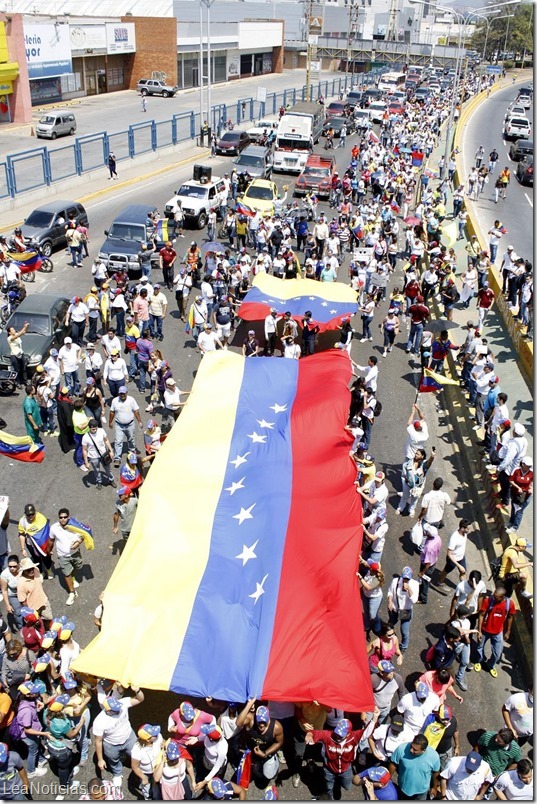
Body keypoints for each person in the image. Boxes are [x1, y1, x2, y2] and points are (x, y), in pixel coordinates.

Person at [93, 689, 145, 788]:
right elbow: (98, 741)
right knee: (113, 760)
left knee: (138, 755)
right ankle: (117, 773)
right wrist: (100, 759)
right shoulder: (99, 721)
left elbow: (140, 699)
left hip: (129, 737)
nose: (118, 710)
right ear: (107, 710)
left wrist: (138, 691)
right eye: (115, 710)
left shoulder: (122, 703)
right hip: (111, 745)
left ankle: (140, 772)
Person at [305, 717, 363, 800]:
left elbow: (366, 732)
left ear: (349, 734)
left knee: (348, 786)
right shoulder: (328, 735)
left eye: (341, 735)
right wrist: (310, 734)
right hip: (329, 769)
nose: (338, 736)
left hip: (345, 769)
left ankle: (339, 782)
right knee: (329, 788)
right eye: (337, 733)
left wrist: (374, 719)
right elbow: (316, 733)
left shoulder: (354, 737)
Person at [237, 703, 283, 786]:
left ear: (269, 718)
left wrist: (265, 754)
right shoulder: (251, 720)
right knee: (256, 771)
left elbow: (279, 742)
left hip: (267, 753)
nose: (261, 725)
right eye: (259, 721)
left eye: (264, 722)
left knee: (269, 775)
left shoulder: (276, 727)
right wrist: (249, 704)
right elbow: (238, 723)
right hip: (253, 753)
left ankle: (275, 767)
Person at [474, 585, 515, 678]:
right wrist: (479, 630)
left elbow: (510, 617)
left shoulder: (509, 604)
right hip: (485, 630)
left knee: (497, 653)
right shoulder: (488, 601)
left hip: (498, 632)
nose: (493, 598)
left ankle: (490, 665)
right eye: (493, 596)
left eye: (496, 598)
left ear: (503, 597)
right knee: (479, 647)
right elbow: (481, 615)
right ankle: (479, 661)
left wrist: (508, 631)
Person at [388, 733, 441, 800]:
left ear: (423, 750)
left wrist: (434, 787)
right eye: (411, 746)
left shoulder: (434, 756)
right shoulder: (401, 749)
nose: (411, 750)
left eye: (415, 750)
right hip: (403, 788)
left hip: (421, 792)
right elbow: (393, 764)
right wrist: (388, 780)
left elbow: (436, 773)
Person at [49, 508, 85, 606]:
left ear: (69, 517)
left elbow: (83, 535)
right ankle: (72, 593)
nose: (63, 519)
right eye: (61, 517)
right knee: (66, 573)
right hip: (62, 555)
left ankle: (73, 577)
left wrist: (78, 543)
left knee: (77, 567)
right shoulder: (54, 528)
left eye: (65, 517)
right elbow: (51, 540)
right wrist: (49, 550)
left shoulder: (76, 525)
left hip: (75, 554)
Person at [387, 566, 419, 653]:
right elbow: (390, 591)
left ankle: (403, 647)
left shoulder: (415, 584)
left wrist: (409, 589)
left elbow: (414, 600)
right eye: (404, 578)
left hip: (405, 611)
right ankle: (388, 638)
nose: (405, 580)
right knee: (390, 624)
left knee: (404, 631)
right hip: (395, 608)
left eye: (407, 579)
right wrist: (389, 601)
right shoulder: (395, 581)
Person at [17, 504, 52, 580]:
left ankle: (49, 569)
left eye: (32, 514)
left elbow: (44, 533)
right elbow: (22, 535)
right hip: (31, 544)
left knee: (46, 557)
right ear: (25, 514)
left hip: (42, 543)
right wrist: (22, 549)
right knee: (36, 558)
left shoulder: (41, 518)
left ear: (35, 512)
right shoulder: (22, 521)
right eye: (28, 514)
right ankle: (41, 571)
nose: (30, 516)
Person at [109, 387, 142, 467]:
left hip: (130, 424)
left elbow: (136, 411)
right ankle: (117, 458)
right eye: (121, 393)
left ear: (127, 392)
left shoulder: (131, 400)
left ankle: (132, 453)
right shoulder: (115, 401)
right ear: (119, 393)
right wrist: (110, 422)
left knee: (131, 439)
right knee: (118, 441)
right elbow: (112, 412)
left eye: (124, 393)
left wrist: (139, 421)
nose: (122, 395)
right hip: (119, 424)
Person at [130, 723, 163, 800]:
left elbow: (162, 742)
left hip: (158, 768)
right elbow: (135, 767)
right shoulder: (137, 750)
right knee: (147, 789)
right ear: (148, 739)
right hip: (146, 773)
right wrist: (143, 777)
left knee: (158, 788)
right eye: (154, 735)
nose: (157, 734)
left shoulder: (158, 736)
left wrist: (163, 745)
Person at [436, 519, 472, 589]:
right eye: (468, 529)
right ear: (462, 528)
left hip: (461, 557)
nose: (469, 531)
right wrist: (458, 565)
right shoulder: (455, 538)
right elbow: (449, 553)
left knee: (463, 572)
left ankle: (463, 588)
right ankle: (439, 582)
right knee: (446, 571)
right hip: (453, 559)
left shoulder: (464, 533)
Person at [82, 418, 115, 490]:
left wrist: (111, 451)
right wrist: (86, 462)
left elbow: (106, 440)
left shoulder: (101, 431)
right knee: (96, 470)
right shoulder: (85, 437)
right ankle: (99, 481)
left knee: (108, 469)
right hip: (93, 457)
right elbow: (84, 450)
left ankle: (111, 480)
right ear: (89, 428)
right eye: (93, 429)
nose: (95, 430)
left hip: (103, 454)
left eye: (96, 428)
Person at [507, 458, 533, 534]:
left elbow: (532, 482)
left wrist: (531, 489)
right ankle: (511, 522)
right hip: (515, 494)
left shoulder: (532, 473)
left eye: (530, 466)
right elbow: (511, 480)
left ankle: (515, 527)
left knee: (519, 511)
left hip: (525, 495)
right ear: (523, 464)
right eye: (527, 466)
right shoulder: (516, 470)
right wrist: (518, 488)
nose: (529, 467)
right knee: (514, 508)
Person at [1, 555, 23, 632]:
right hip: (13, 595)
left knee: (30, 608)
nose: (12, 568)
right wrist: (7, 605)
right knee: (18, 613)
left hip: (24, 592)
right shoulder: (4, 574)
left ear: (18, 564)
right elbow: (4, 590)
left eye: (14, 566)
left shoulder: (23, 569)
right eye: (10, 566)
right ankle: (21, 627)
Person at [7, 321, 29, 386]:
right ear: (9, 332)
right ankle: (17, 382)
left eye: (14, 329)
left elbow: (23, 332)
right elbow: (18, 335)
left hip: (20, 354)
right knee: (17, 369)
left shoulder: (17, 335)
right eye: (12, 330)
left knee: (24, 368)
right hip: (14, 355)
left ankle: (25, 381)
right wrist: (24, 327)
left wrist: (27, 326)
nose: (14, 331)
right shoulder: (9, 338)